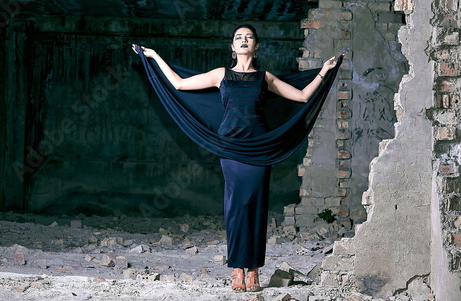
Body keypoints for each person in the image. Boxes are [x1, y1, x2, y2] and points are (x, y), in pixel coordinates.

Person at [132, 24, 339, 293]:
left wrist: (324, 70)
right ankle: (237, 269)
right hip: (231, 149)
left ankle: (253, 270)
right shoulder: (221, 75)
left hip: (259, 148)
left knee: (257, 206)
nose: (243, 40)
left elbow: (301, 96)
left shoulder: (265, 78)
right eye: (238, 37)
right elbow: (179, 84)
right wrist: (155, 56)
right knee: (236, 207)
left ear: (256, 46)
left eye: (248, 37)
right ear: (232, 47)